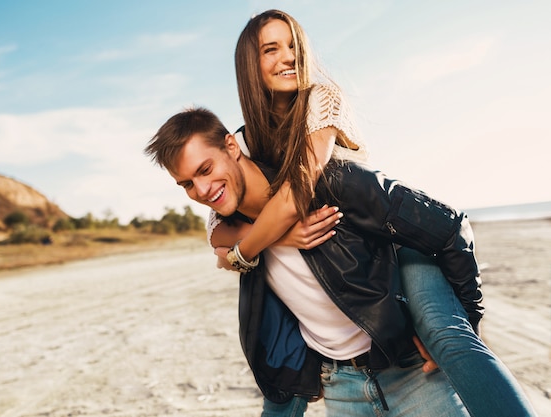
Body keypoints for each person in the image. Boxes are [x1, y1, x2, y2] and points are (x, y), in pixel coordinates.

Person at [210, 9, 536, 417]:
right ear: (249, 66)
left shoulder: (319, 100)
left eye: (294, 45)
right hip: (348, 278)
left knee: (448, 337)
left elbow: (300, 187)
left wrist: (258, 240)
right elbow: (217, 231)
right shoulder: (243, 143)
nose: (287, 57)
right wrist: (280, 237)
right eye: (271, 49)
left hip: (393, 246)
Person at [146, 107, 478, 416]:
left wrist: (465, 330)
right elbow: (221, 244)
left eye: (205, 170)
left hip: (411, 372)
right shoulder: (227, 224)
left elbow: (448, 226)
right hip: (339, 386)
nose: (202, 190)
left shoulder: (325, 184)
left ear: (232, 147)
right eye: (186, 184)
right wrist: (278, 236)